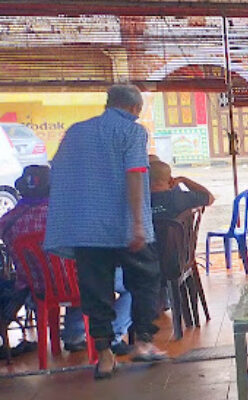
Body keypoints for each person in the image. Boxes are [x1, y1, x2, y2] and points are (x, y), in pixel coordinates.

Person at [44, 84, 168, 380]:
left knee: (96, 290)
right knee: (146, 278)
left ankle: (104, 356)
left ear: (109, 103)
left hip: (86, 228)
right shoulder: (132, 132)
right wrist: (137, 223)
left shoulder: (76, 132)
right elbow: (136, 174)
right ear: (135, 109)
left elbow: (58, 172)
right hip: (123, 226)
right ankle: (143, 343)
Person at [0, 166, 135, 355]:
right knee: (132, 282)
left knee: (72, 275)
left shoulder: (7, 221)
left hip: (38, 290)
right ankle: (113, 335)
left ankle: (74, 335)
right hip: (79, 283)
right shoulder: (69, 216)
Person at [149, 160, 215, 220]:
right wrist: (184, 180)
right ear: (171, 180)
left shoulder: (142, 202)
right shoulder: (178, 198)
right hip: (176, 233)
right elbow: (210, 198)